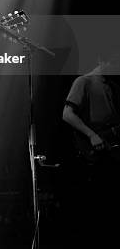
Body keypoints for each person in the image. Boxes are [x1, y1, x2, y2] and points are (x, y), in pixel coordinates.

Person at [62, 50, 120, 245]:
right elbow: (67, 114)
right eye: (114, 62)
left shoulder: (111, 85)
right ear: (101, 59)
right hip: (94, 153)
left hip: (111, 150)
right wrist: (92, 135)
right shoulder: (84, 81)